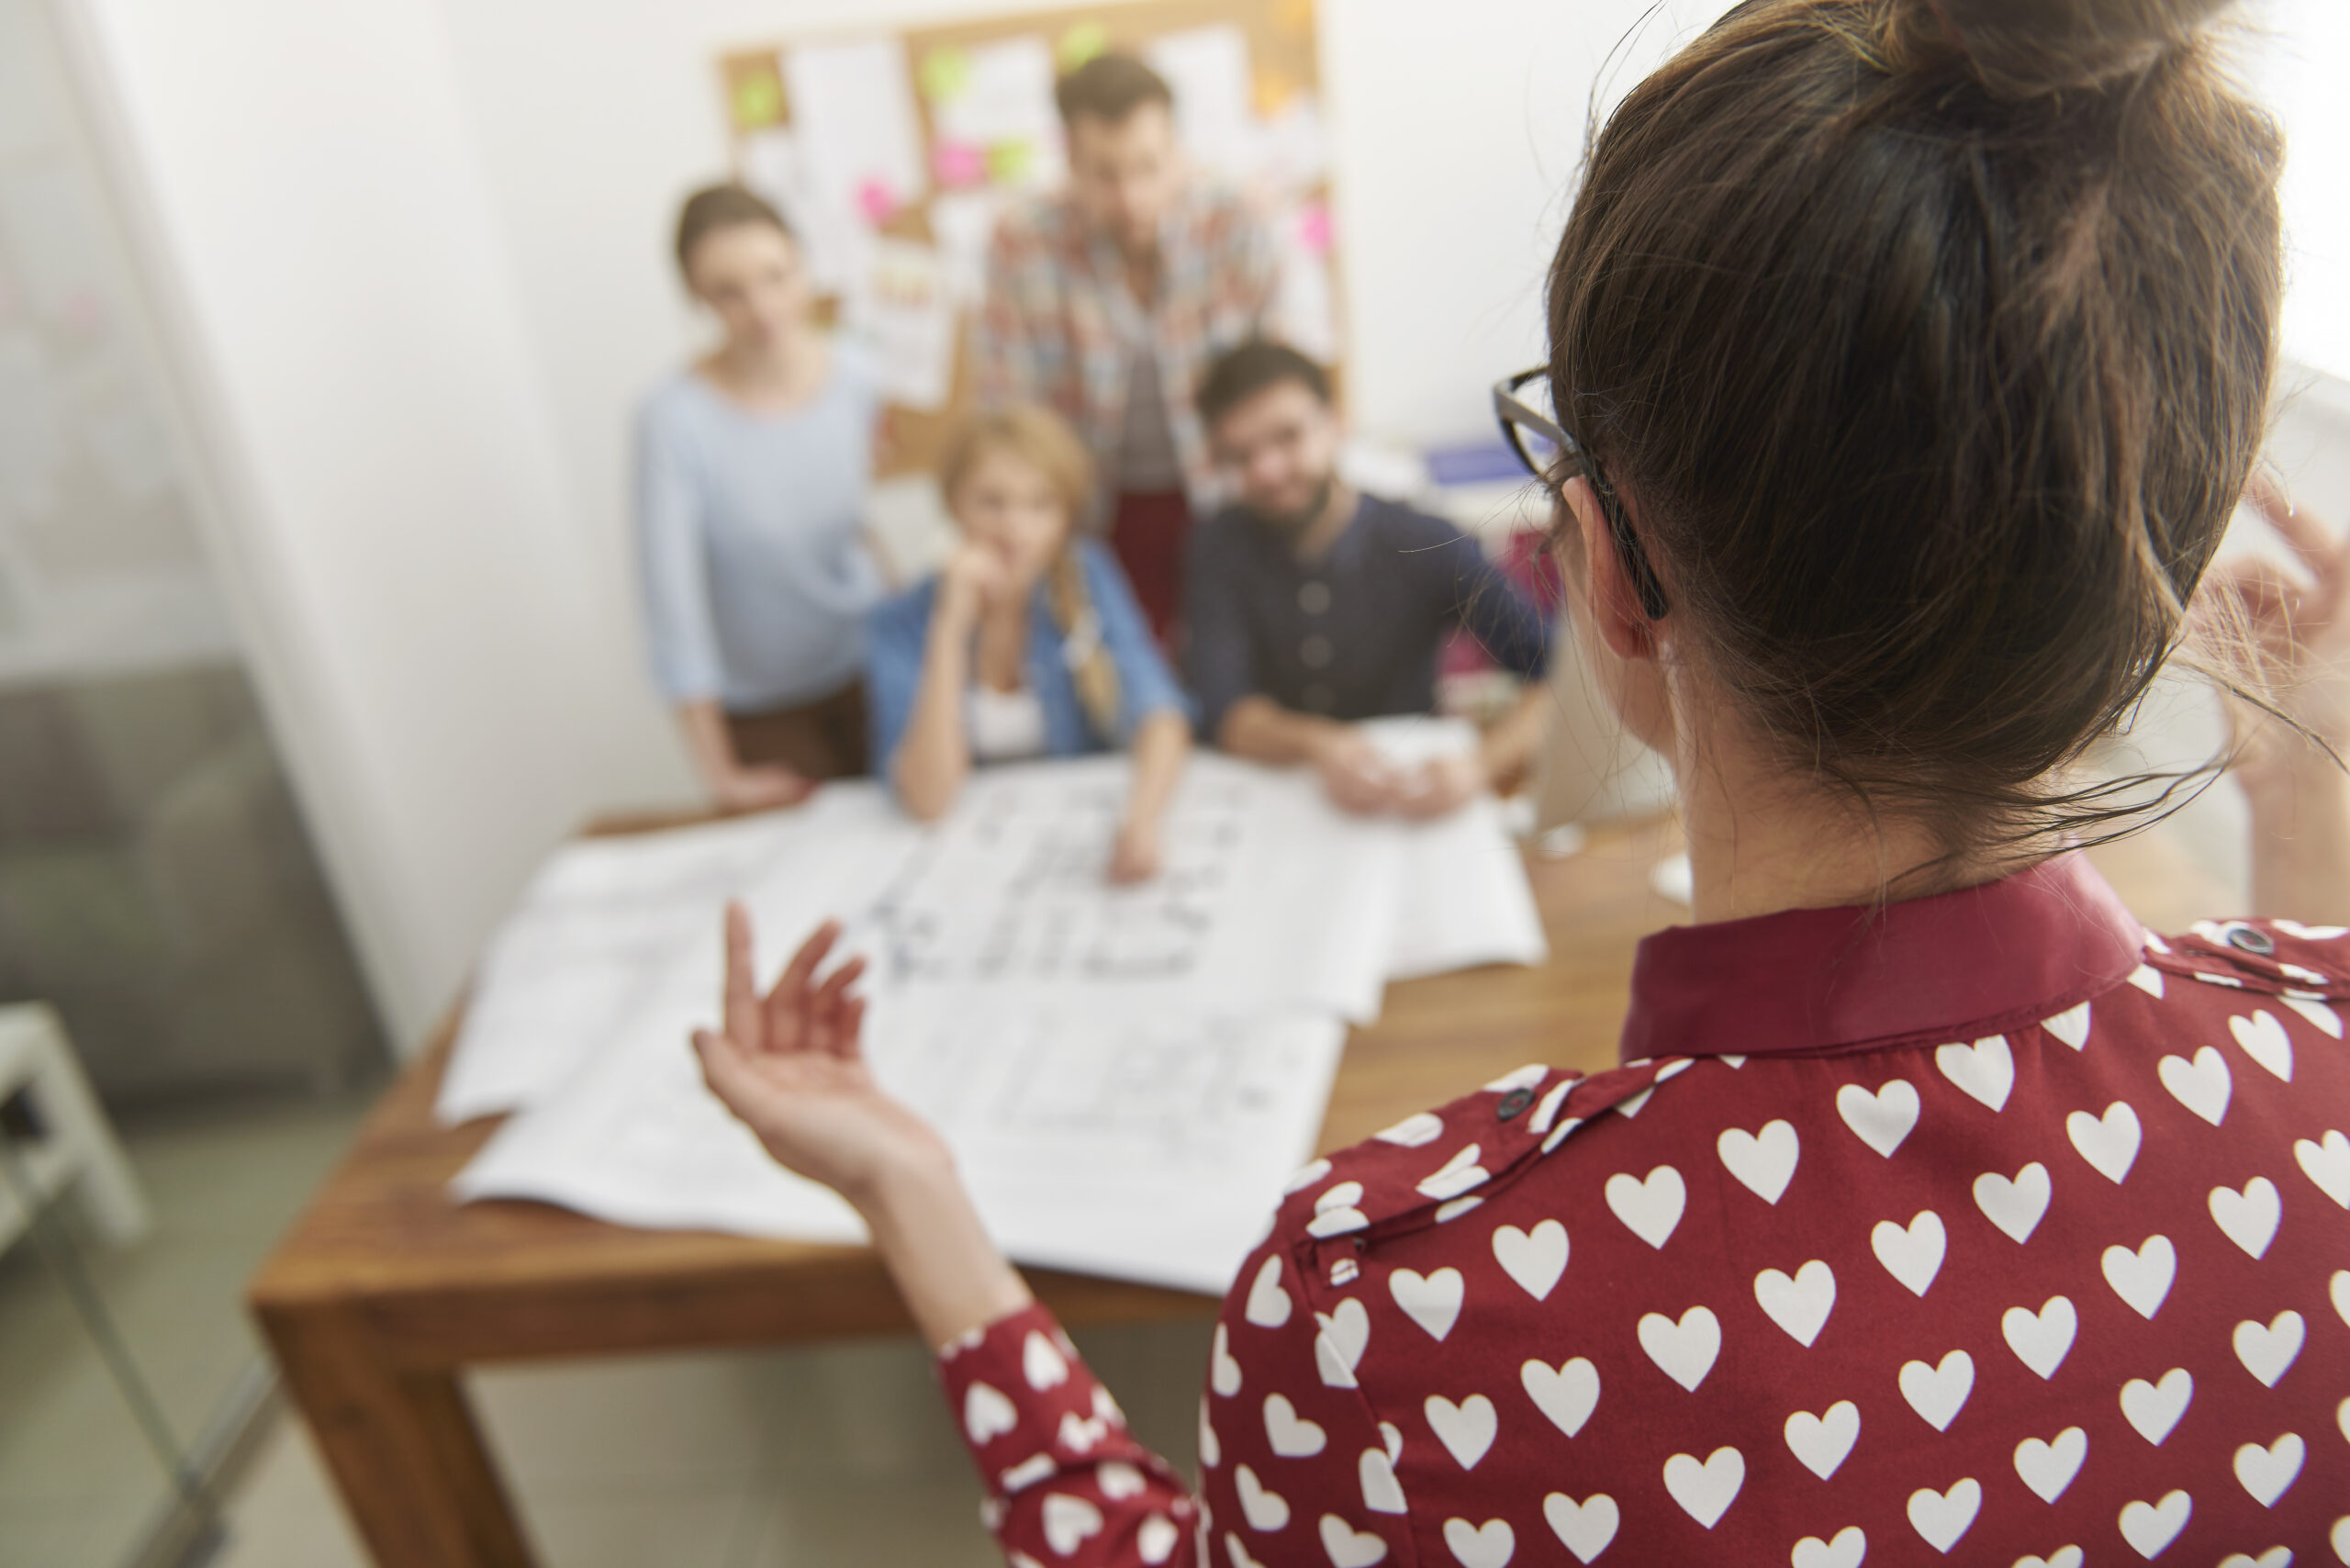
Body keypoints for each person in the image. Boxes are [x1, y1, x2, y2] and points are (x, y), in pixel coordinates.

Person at [694, 0, 2350, 1558]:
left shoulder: (1392, 1305)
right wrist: (2303, 814)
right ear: (2172, 566)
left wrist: (914, 1195)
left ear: (1608, 579)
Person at [974, 51, 1281, 644]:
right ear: (1069, 160)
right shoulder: (1021, 241)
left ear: (1177, 150)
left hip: (1223, 498)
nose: (1131, 196)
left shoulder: (1231, 218)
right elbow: (1009, 413)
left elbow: (1274, 374)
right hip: (1090, 512)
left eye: (1148, 167)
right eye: (1105, 174)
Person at [1186, 340, 1555, 817]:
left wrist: (1479, 765)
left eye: (1287, 437)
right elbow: (1223, 710)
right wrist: (1319, 745)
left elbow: (1554, 674)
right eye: (1240, 455)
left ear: (1334, 422)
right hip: (1276, 803)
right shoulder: (1216, 545)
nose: (1268, 471)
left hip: (1411, 802)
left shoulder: (1426, 539)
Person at [633, 185, 886, 811]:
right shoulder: (673, 421)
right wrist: (719, 774)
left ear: (803, 266)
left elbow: (860, 527)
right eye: (729, 291)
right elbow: (673, 608)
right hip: (766, 711)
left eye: (776, 276)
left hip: (871, 668)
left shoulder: (855, 375)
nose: (763, 307)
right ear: (697, 298)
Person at [866, 406, 1191, 882]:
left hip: (1068, 852)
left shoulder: (1089, 578)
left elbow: (1161, 714)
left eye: (1041, 505)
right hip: (964, 861)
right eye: (992, 502)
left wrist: (1141, 820)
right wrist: (950, 627)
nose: (1015, 530)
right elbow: (927, 798)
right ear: (953, 502)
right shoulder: (897, 622)